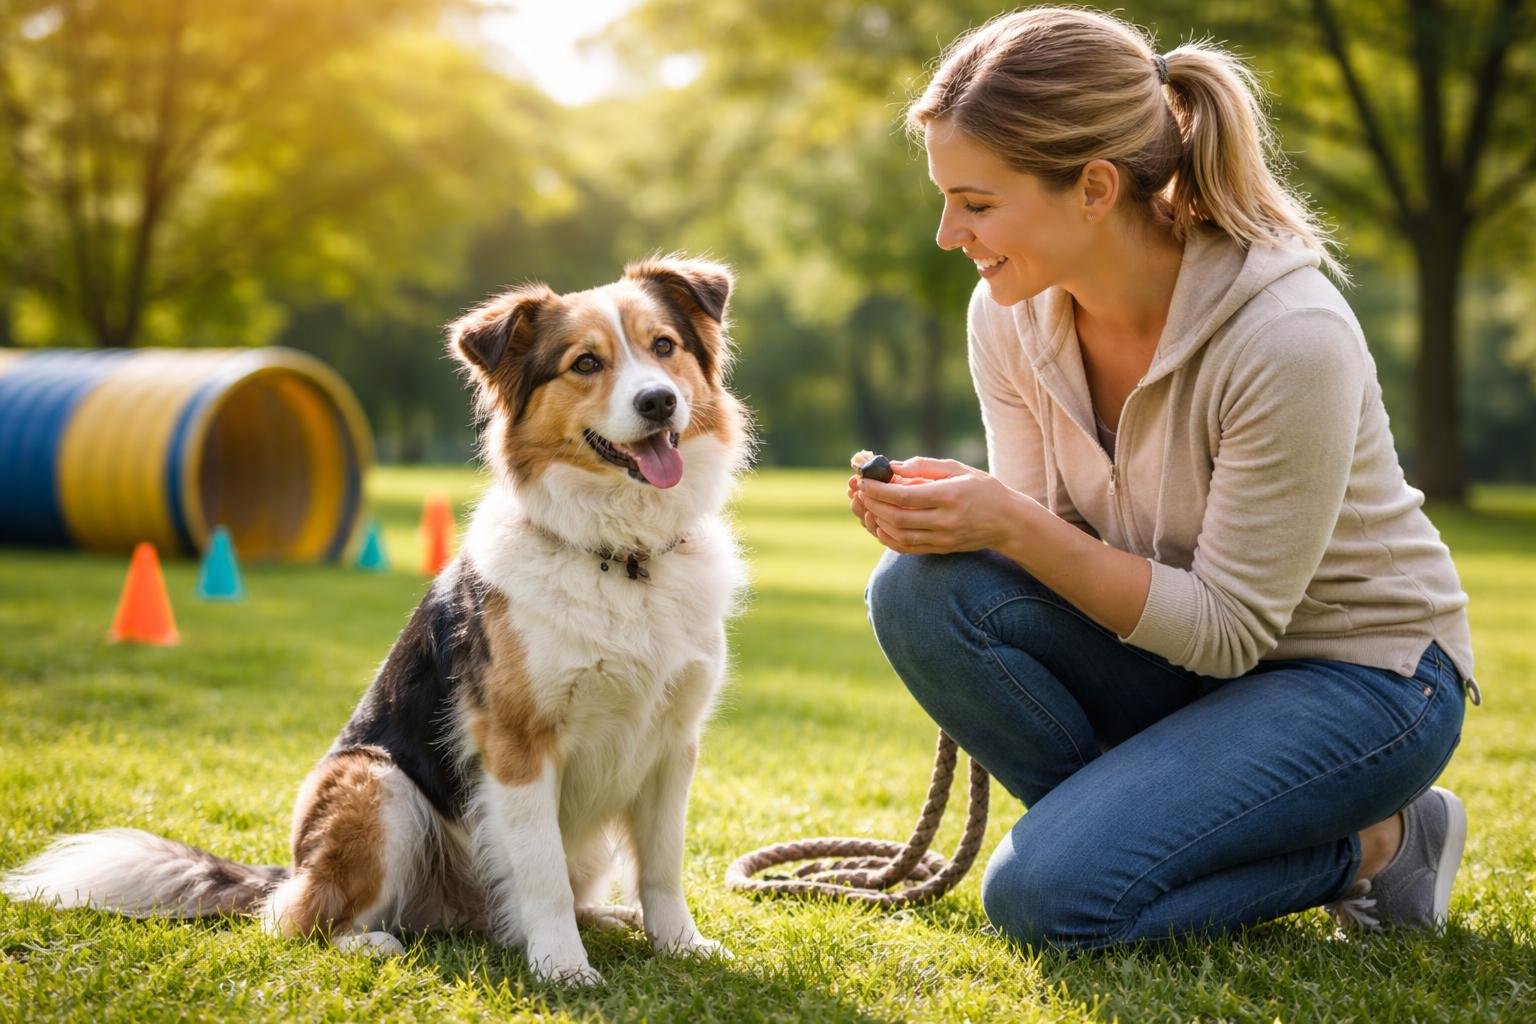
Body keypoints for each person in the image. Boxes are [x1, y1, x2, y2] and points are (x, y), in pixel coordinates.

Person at [849, 6, 1477, 950]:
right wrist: (969, 521)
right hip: (1178, 663)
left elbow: (1228, 630)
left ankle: (1381, 841)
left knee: (1049, 903)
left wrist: (1009, 524)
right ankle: (1137, 834)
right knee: (921, 591)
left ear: (1094, 188)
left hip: (1364, 684)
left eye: (976, 203)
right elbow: (1054, 542)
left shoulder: (1287, 337)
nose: (949, 233)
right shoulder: (1008, 314)